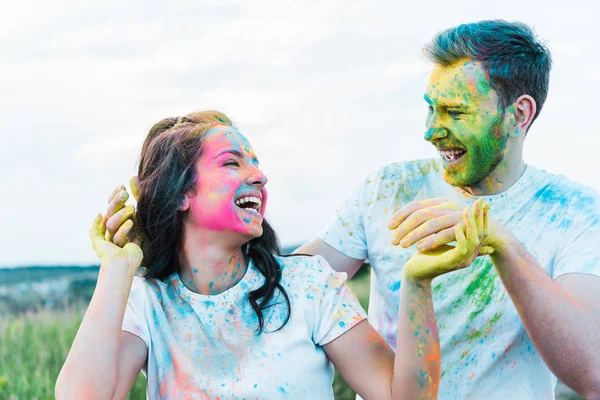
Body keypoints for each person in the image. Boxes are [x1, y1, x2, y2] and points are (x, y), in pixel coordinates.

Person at [55, 110, 490, 399]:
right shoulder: (146, 303)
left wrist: (418, 283)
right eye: (232, 163)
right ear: (180, 191)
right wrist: (117, 268)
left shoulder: (307, 286)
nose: (259, 176)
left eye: (256, 163)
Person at [296, 20, 600, 399]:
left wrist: (502, 243)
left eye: (455, 112)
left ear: (519, 115)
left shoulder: (574, 212)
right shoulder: (387, 189)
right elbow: (290, 288)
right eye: (431, 109)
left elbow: (591, 373)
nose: (431, 131)